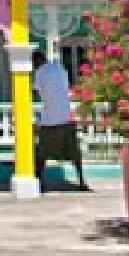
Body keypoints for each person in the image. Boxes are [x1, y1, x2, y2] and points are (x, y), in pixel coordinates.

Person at [32, 51, 89, 192]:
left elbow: (35, 91)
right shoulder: (60, 68)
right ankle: (81, 181)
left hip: (50, 121)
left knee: (40, 155)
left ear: (36, 62)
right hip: (66, 117)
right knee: (74, 154)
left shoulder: (40, 73)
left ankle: (40, 183)